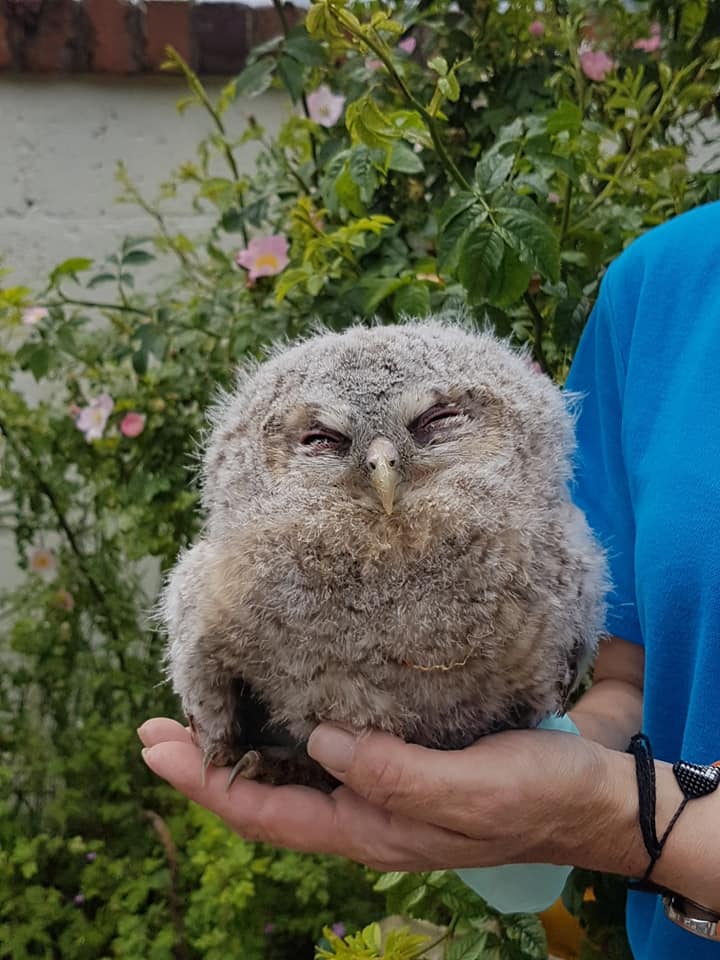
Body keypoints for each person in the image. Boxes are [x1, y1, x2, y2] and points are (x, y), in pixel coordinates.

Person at [139, 200, 720, 959]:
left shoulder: (539, 550)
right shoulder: (662, 283)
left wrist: (621, 819)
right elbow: (634, 676)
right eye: (324, 440)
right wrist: (517, 796)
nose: (382, 464)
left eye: (434, 426)